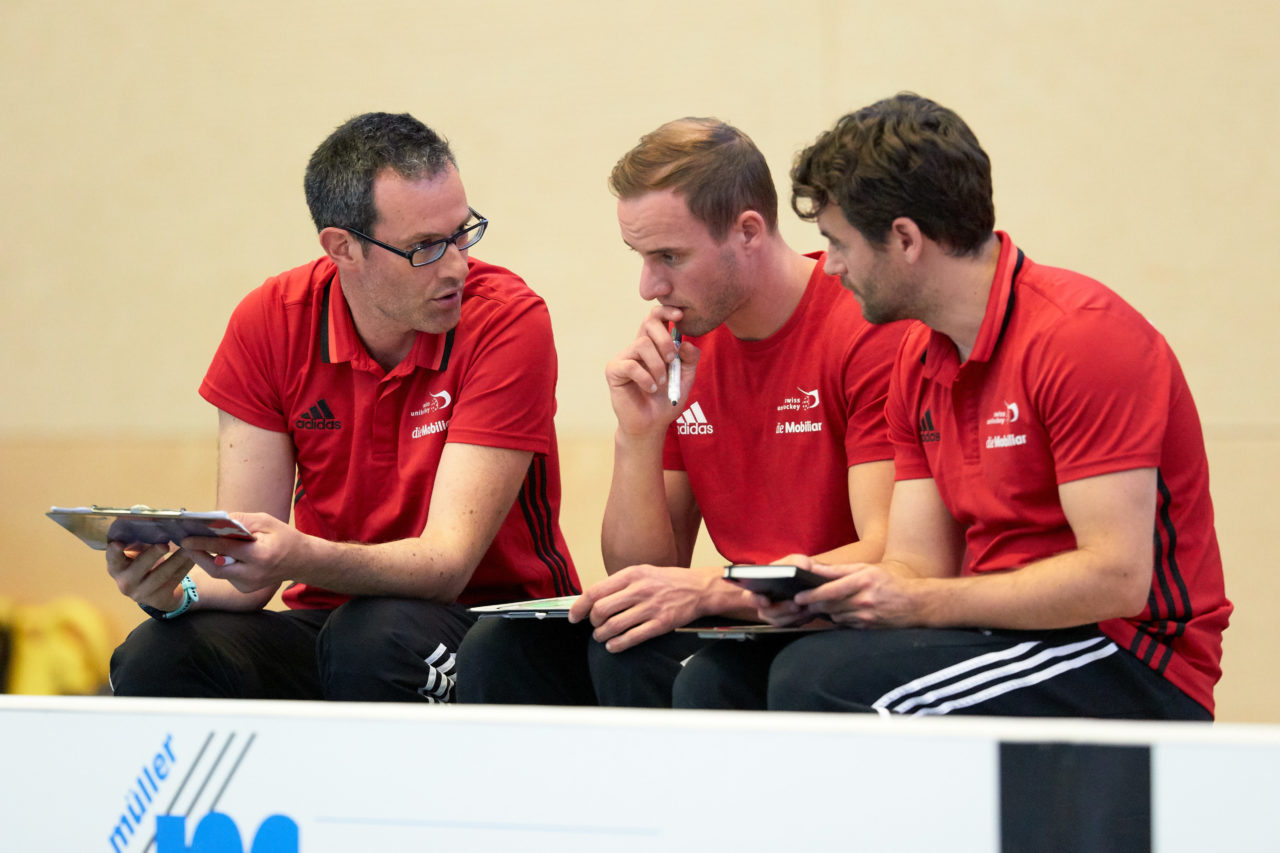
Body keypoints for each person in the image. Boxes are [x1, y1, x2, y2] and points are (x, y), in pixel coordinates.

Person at [672, 93, 1232, 719]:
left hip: (1125, 652)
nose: (829, 267)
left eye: (839, 244)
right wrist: (820, 589)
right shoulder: (918, 356)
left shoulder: (1081, 337)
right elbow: (916, 561)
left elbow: (1116, 579)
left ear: (905, 239)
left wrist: (918, 603)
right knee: (720, 680)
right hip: (996, 627)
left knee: (818, 681)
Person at [107, 112, 578, 703]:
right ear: (344, 248)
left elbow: (446, 565)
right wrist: (173, 591)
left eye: (462, 233)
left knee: (373, 637)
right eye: (425, 248)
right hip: (335, 621)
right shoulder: (270, 323)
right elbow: (243, 578)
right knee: (159, 651)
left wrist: (299, 554)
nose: (456, 264)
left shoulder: (507, 319)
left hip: (494, 628)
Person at [457, 118, 905, 706]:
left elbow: (887, 550)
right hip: (745, 617)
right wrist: (639, 435)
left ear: (748, 231)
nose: (649, 285)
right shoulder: (689, 345)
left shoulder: (864, 329)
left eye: (670, 256)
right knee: (505, 649)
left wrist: (717, 589)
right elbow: (643, 571)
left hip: (839, 621)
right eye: (641, 256)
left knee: (666, 668)